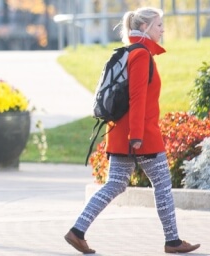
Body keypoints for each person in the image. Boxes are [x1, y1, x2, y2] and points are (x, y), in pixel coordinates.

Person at [62, 7, 201, 254]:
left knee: (115, 184)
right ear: (145, 27)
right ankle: (173, 241)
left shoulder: (134, 53)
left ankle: (77, 231)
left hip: (122, 132)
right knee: (162, 184)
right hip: (139, 135)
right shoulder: (141, 55)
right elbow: (137, 97)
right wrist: (136, 136)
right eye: (159, 25)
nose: (163, 29)